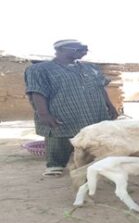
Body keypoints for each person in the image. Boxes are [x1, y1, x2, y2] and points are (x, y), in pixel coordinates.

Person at [24, 39, 118, 177]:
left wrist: (110, 106)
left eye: (85, 49)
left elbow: (100, 88)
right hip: (62, 110)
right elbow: (37, 91)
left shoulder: (90, 68)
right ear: (60, 50)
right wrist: (43, 114)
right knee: (60, 136)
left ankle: (90, 164)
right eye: (78, 49)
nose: (83, 52)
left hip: (93, 110)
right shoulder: (40, 69)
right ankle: (55, 165)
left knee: (93, 137)